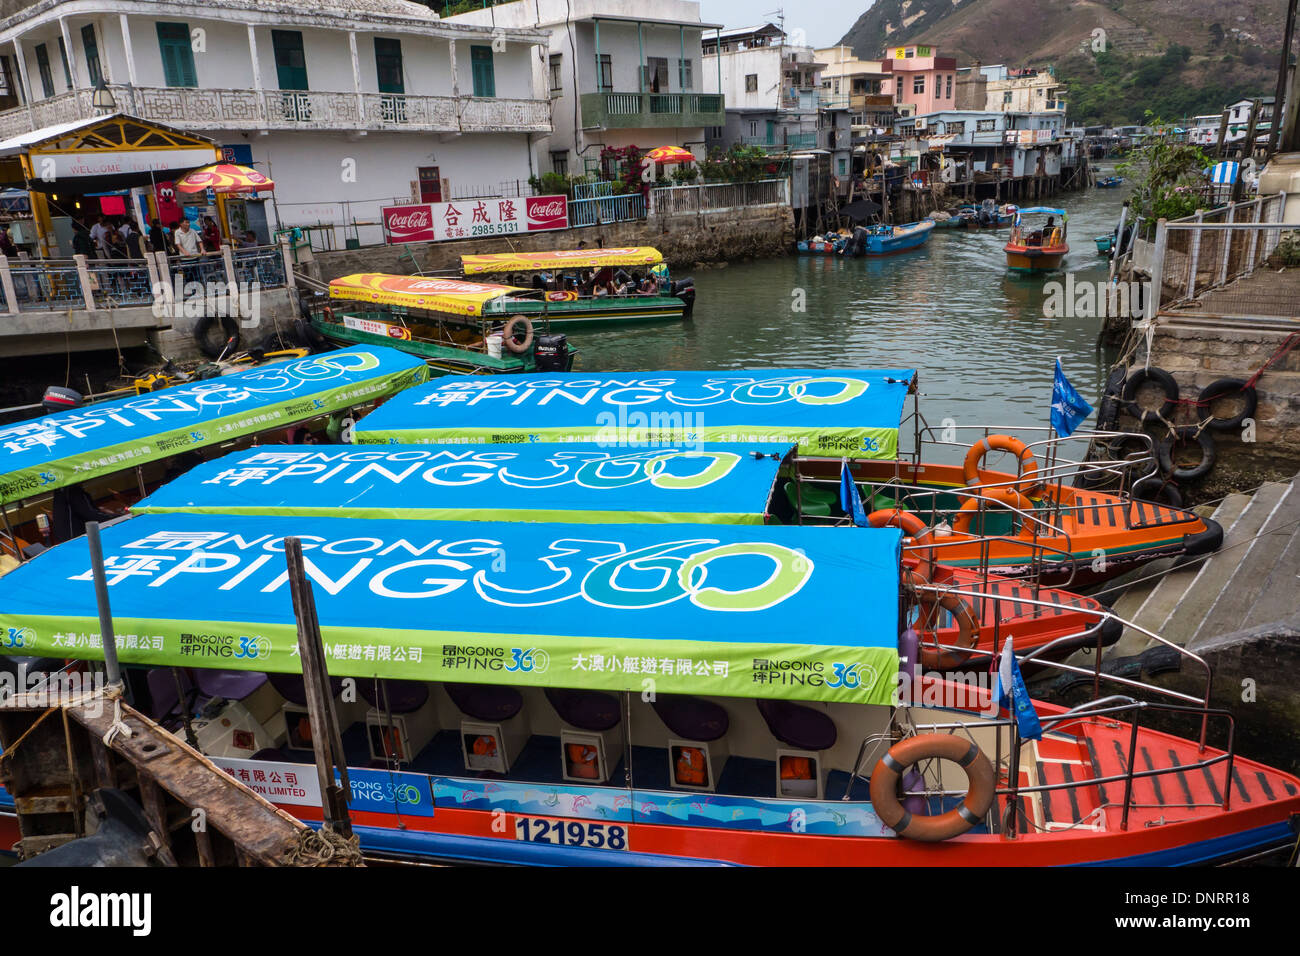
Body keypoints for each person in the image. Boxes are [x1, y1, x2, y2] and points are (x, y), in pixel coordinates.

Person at [50, 484, 118, 545]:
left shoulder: (60, 491)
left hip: (63, 538)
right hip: (76, 539)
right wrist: (119, 517)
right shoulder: (74, 491)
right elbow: (91, 514)